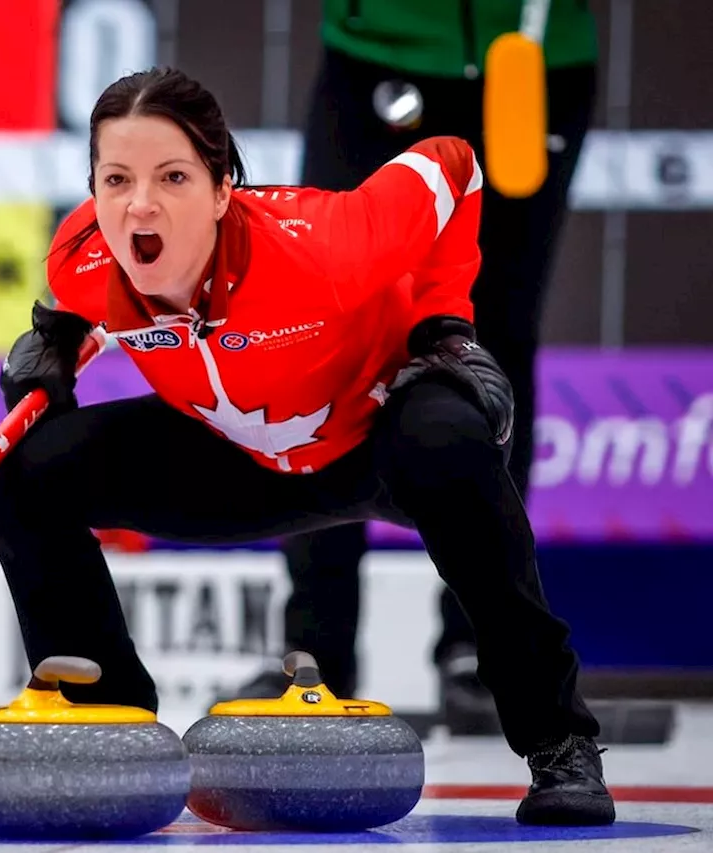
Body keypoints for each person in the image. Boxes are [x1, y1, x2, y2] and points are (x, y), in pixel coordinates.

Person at [0, 65, 613, 827]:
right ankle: (106, 722)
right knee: (20, 471)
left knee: (448, 440)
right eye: (115, 179)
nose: (139, 204)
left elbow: (454, 163)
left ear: (221, 191)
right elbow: (69, 290)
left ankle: (559, 741)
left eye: (172, 177)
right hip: (238, 456)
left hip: (375, 437)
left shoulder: (325, 248)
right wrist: (55, 334)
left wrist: (444, 326)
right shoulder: (83, 255)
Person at [224, 0, 600, 733]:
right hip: (377, 53)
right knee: (326, 328)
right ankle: (315, 649)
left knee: (492, 345)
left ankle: (484, 650)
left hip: (533, 63)